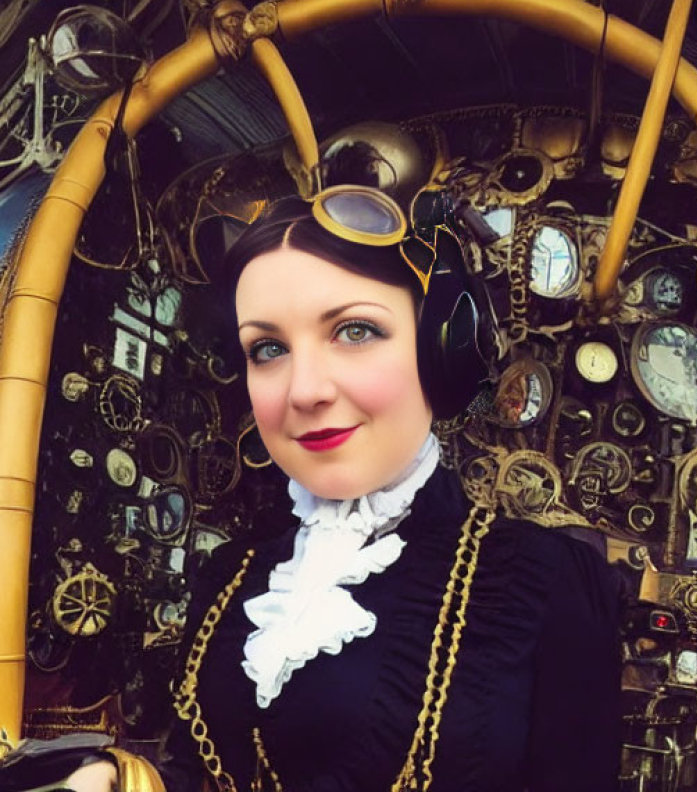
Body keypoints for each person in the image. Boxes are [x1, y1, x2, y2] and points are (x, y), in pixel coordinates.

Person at [38, 184, 623, 791]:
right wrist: (115, 776)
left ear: (439, 350)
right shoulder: (230, 577)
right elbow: (197, 768)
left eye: (354, 331)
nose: (304, 390)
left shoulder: (546, 580)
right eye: (267, 349)